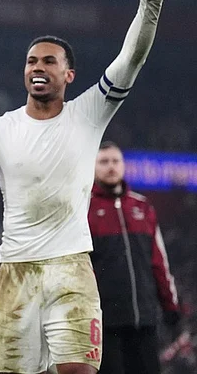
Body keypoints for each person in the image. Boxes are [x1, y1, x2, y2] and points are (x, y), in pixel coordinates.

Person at [0, 0, 170, 374]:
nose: (38, 67)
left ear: (68, 74)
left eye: (49, 62)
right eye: (32, 61)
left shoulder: (89, 113)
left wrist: (151, 4)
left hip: (71, 268)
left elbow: (131, 58)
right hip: (15, 272)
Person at [89, 141, 180, 374]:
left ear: (123, 165)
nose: (111, 167)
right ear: (93, 167)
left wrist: (170, 305)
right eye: (104, 161)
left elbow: (159, 262)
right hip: (105, 324)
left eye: (115, 161)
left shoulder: (142, 206)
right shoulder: (84, 208)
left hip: (145, 320)